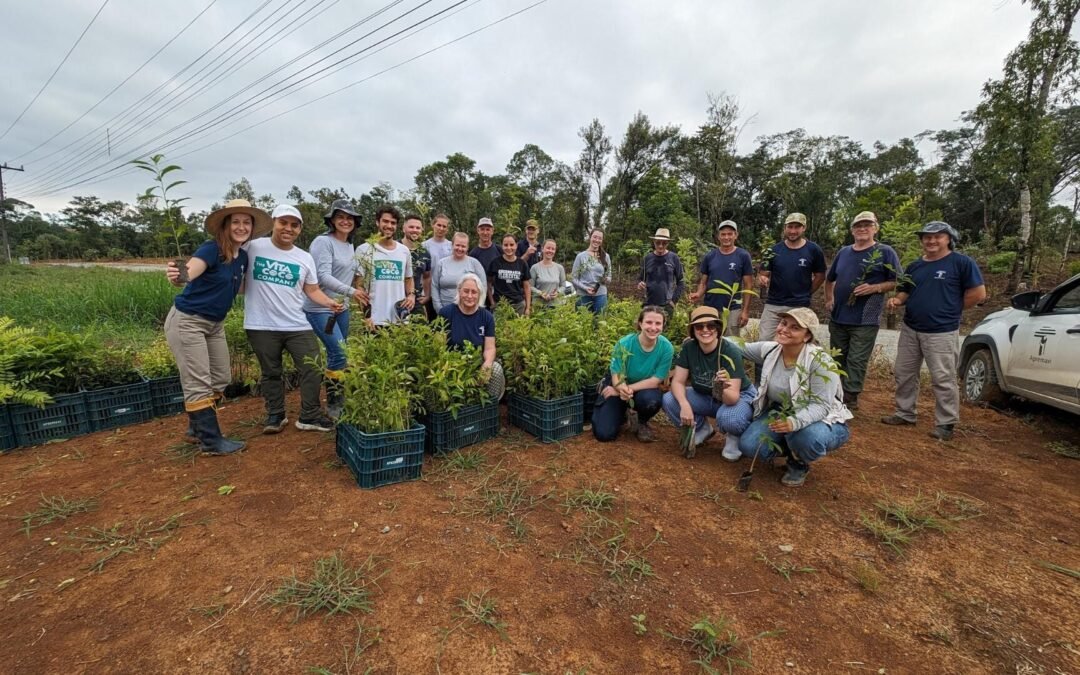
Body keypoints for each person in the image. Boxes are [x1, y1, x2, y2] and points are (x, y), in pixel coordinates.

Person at [164, 199, 271, 454]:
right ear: (225, 225)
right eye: (236, 221)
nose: (241, 227)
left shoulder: (242, 257)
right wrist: (178, 274)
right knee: (197, 381)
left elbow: (242, 287)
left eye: (246, 222)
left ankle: (195, 429)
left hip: (214, 324)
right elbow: (188, 273)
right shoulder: (211, 249)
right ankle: (211, 441)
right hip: (188, 321)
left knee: (221, 377)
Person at [242, 205, 344, 434]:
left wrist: (329, 302)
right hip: (261, 325)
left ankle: (309, 415)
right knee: (271, 372)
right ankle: (275, 415)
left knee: (312, 366)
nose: (288, 228)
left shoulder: (304, 258)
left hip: (297, 323)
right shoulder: (253, 247)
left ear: (299, 229)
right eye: (283, 223)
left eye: (294, 225)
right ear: (273, 223)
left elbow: (312, 290)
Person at [881, 221, 986, 441]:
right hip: (911, 328)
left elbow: (978, 294)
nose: (931, 240)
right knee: (904, 373)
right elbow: (905, 291)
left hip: (941, 331)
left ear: (949, 239)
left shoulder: (961, 263)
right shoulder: (915, 266)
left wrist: (950, 309)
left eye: (937, 236)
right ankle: (904, 412)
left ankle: (946, 422)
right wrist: (897, 301)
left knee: (943, 377)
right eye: (926, 237)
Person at [738, 308, 852, 487]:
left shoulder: (821, 362)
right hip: (780, 410)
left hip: (821, 418)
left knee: (809, 438)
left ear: (807, 336)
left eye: (795, 328)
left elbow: (821, 405)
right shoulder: (771, 350)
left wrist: (794, 422)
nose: (784, 329)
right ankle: (790, 446)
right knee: (749, 446)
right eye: (783, 323)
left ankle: (798, 462)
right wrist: (708, 336)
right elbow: (737, 347)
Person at [823, 211, 901, 410]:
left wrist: (874, 288)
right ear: (852, 230)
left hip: (865, 318)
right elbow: (830, 279)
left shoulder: (885, 252)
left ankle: (850, 398)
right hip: (839, 315)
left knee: (856, 359)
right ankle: (835, 394)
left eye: (867, 225)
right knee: (836, 357)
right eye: (858, 226)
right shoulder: (844, 252)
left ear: (876, 228)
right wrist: (829, 299)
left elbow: (895, 281)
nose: (862, 229)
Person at [662, 306, 756, 460]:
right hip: (705, 394)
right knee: (670, 400)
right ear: (693, 330)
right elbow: (678, 381)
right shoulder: (689, 348)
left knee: (728, 417)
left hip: (736, 397)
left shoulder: (729, 351)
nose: (705, 330)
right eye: (699, 326)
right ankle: (702, 429)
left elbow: (732, 397)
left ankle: (734, 437)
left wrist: (722, 386)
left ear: (718, 328)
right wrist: (685, 405)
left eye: (711, 325)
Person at [305, 199, 365, 419]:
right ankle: (333, 404)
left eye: (350, 218)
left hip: (342, 308)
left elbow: (356, 273)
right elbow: (322, 276)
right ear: (332, 220)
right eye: (340, 217)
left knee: (339, 353)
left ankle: (338, 398)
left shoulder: (350, 245)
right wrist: (352, 292)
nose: (345, 221)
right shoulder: (323, 242)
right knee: (339, 352)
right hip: (320, 307)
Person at [592, 306, 674, 443]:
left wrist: (623, 391)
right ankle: (623, 413)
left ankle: (641, 421)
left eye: (658, 323)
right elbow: (616, 375)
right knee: (603, 434)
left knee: (652, 400)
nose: (653, 327)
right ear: (640, 323)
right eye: (649, 322)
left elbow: (655, 381)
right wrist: (621, 389)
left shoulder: (666, 348)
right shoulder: (624, 344)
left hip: (642, 389)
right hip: (618, 384)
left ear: (663, 326)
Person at [757, 213, 826, 341]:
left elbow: (820, 275)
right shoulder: (773, 250)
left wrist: (808, 292)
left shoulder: (813, 250)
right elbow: (763, 273)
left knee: (795, 341)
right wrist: (763, 279)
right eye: (790, 227)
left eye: (797, 227)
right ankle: (763, 362)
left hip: (799, 304)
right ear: (785, 228)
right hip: (774, 304)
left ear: (804, 228)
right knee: (764, 340)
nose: (793, 231)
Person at [437, 273, 503, 396]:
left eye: (474, 292)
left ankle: (489, 407)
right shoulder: (446, 313)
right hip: (452, 365)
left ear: (479, 294)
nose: (469, 296)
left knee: (496, 369)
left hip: (477, 365)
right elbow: (439, 347)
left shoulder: (486, 316)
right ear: (459, 291)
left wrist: (487, 364)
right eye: (466, 291)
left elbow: (490, 347)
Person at [353, 205, 415, 327]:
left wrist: (411, 295)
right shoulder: (364, 250)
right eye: (385, 221)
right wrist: (366, 316)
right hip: (374, 320)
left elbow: (408, 278)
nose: (389, 226)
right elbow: (359, 286)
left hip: (400, 319)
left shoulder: (404, 251)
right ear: (377, 222)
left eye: (393, 223)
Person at [690, 220, 754, 336]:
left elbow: (748, 285)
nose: (726, 237)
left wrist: (745, 311)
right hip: (710, 307)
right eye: (723, 234)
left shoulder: (743, 256)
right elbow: (704, 282)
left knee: (731, 342)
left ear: (736, 235)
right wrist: (698, 294)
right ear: (718, 236)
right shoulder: (710, 256)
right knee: (710, 338)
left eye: (730, 234)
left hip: (732, 308)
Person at [432, 232, 487, 312]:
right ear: (452, 245)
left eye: (463, 246)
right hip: (445, 311)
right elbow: (434, 286)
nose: (460, 249)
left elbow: (483, 287)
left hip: (469, 311)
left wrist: (476, 308)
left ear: (467, 247)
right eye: (457, 245)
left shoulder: (474, 264)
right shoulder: (441, 263)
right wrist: (439, 309)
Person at [637, 228, 685, 315]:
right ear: (654, 242)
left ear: (668, 243)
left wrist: (673, 301)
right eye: (658, 242)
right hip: (648, 304)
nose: (660, 246)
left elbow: (681, 282)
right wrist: (640, 284)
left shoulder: (674, 258)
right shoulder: (647, 258)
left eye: (664, 243)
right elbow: (641, 279)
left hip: (666, 305)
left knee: (666, 328)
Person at [487, 233, 532, 315]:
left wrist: (528, 307)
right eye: (505, 245)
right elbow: (488, 283)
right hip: (500, 305)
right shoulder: (495, 262)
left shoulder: (522, 264)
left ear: (516, 245)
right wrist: (492, 302)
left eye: (511, 245)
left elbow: (527, 286)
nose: (509, 248)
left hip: (518, 305)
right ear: (502, 246)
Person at [571, 228, 612, 314]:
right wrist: (585, 288)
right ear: (590, 237)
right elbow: (574, 278)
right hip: (583, 295)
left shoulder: (605, 256)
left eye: (600, 238)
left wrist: (605, 280)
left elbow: (609, 276)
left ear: (602, 240)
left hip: (600, 295)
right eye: (595, 237)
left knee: (600, 323)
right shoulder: (581, 256)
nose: (597, 240)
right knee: (582, 323)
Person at [401, 213, 432, 319]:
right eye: (411, 227)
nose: (415, 230)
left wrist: (427, 295)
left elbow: (427, 276)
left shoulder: (424, 253)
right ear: (403, 228)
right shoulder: (395, 248)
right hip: (397, 299)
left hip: (416, 301)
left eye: (418, 228)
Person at [529, 239, 566, 310]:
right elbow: (530, 287)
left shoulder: (559, 268)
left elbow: (563, 286)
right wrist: (540, 293)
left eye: (553, 249)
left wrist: (558, 292)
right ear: (542, 249)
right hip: (539, 306)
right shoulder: (535, 268)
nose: (550, 251)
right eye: (548, 248)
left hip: (556, 305)